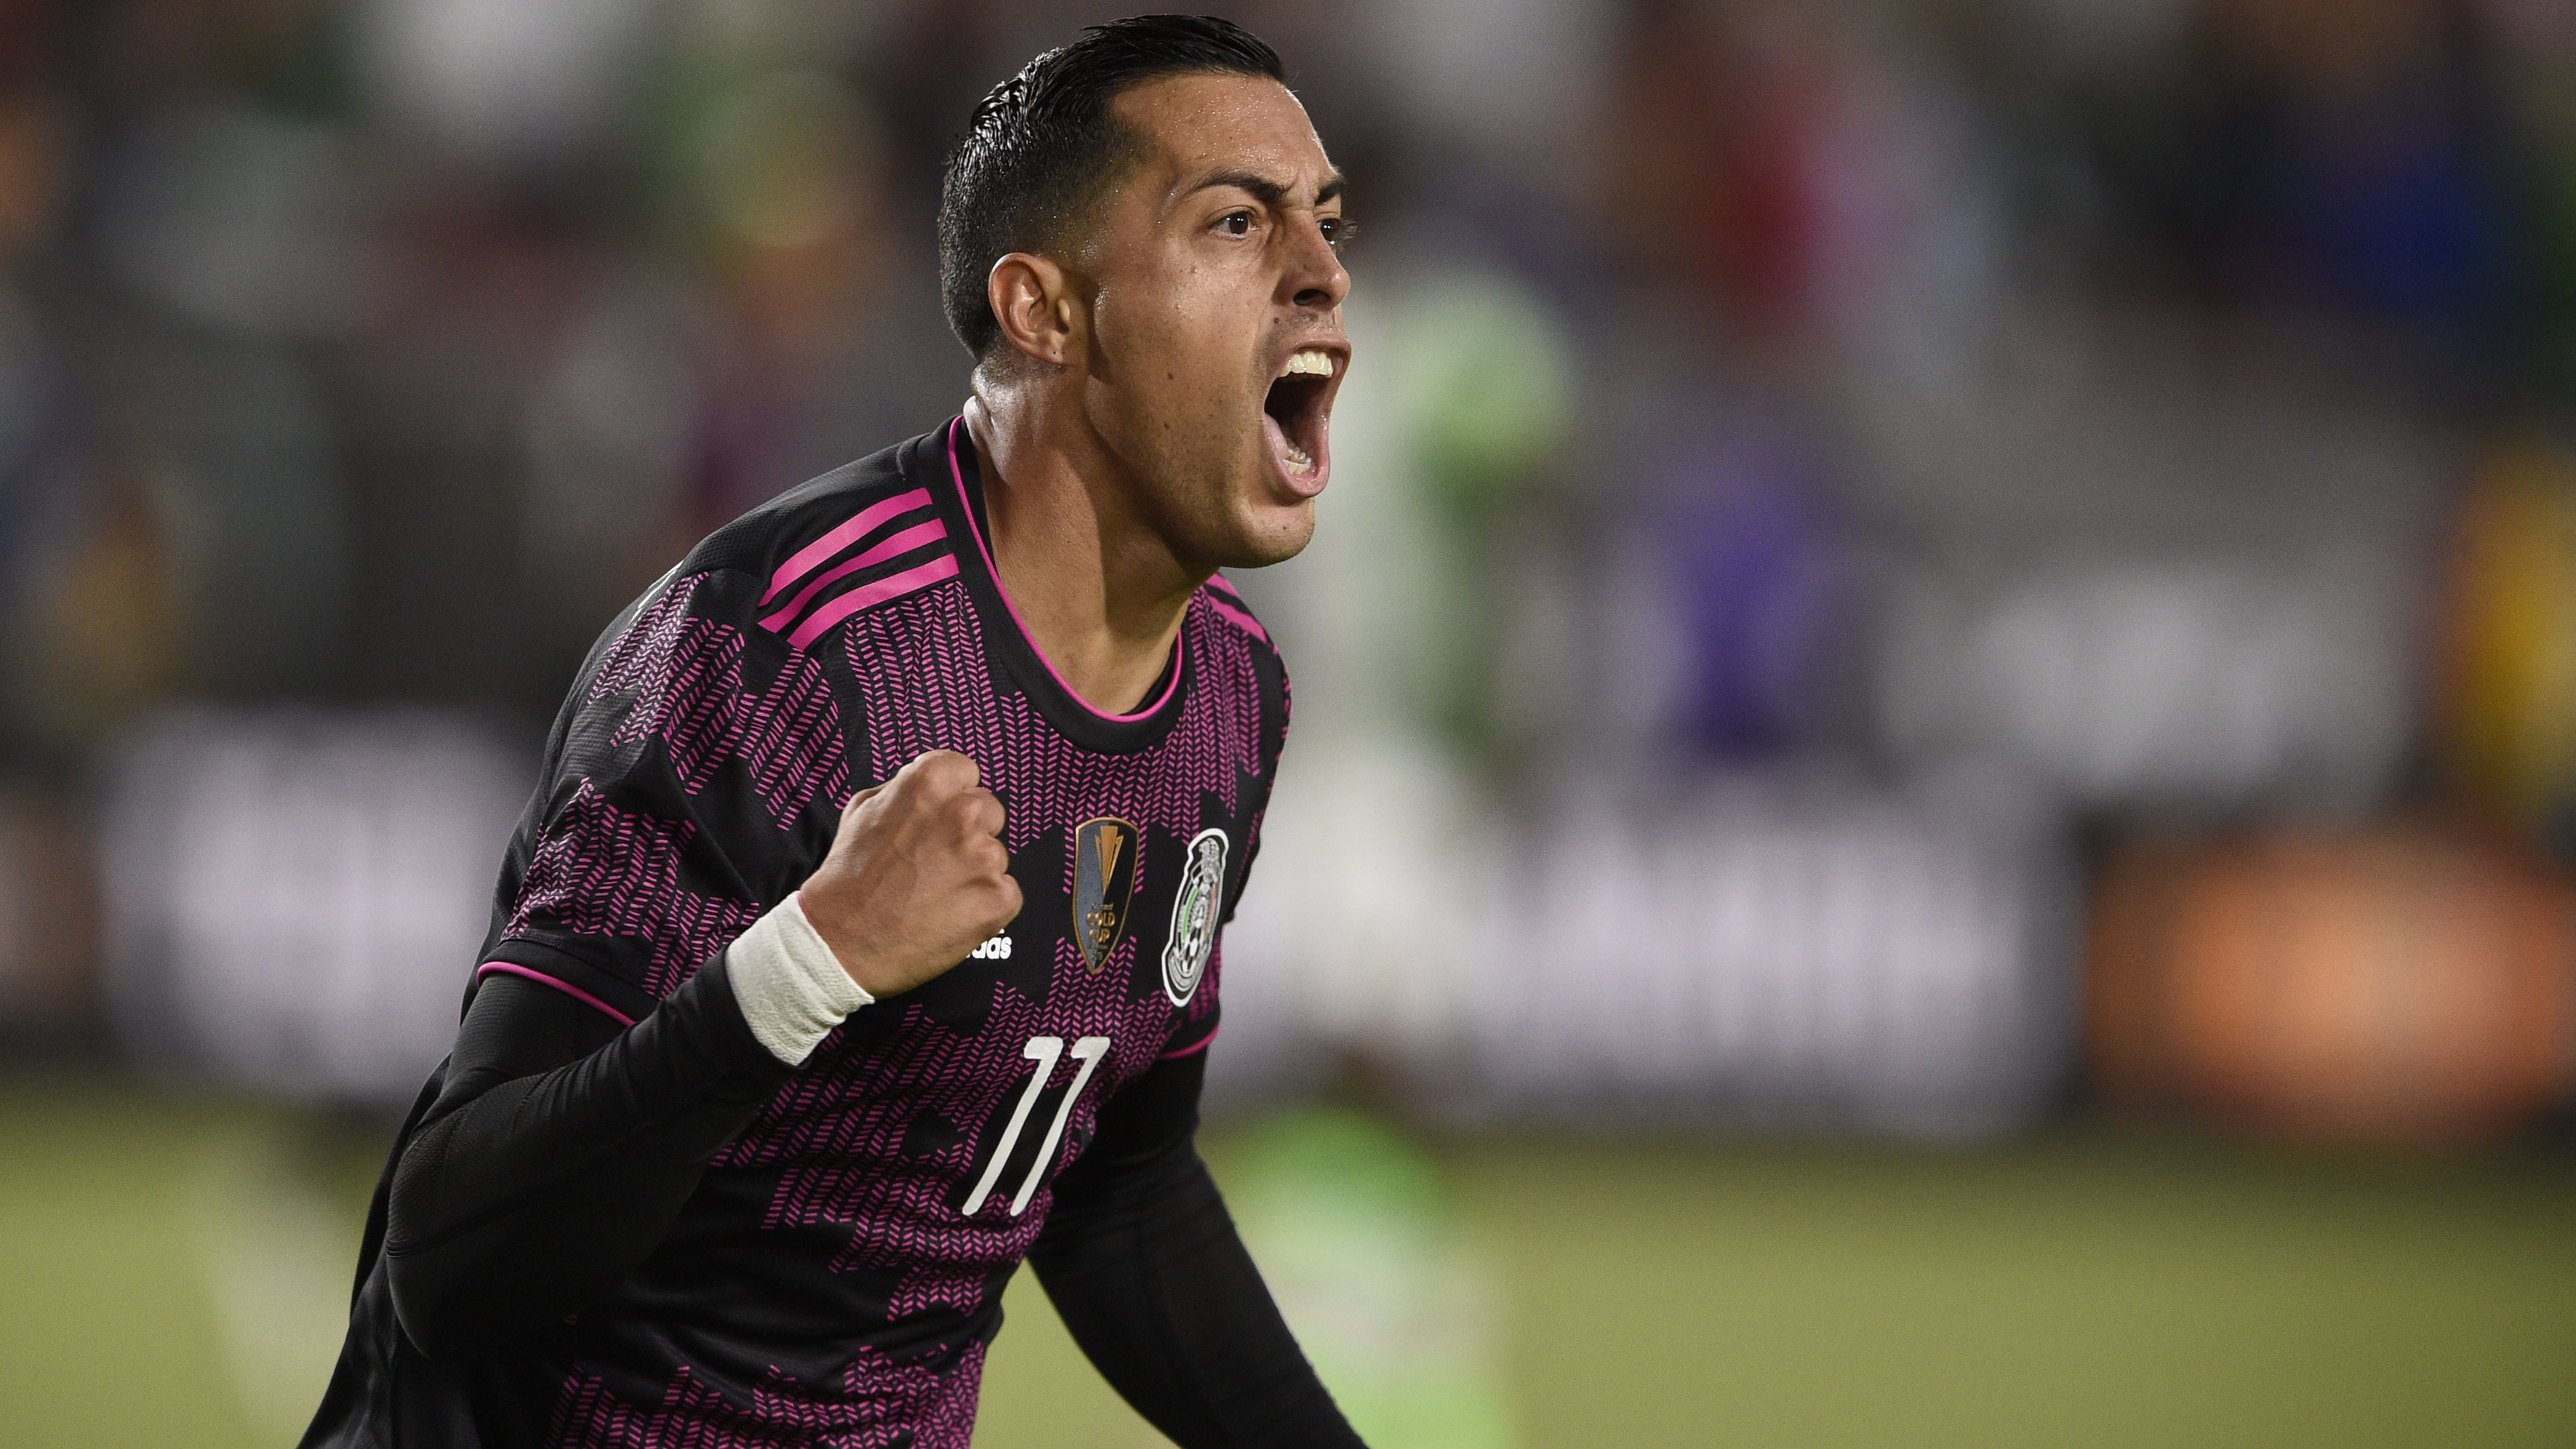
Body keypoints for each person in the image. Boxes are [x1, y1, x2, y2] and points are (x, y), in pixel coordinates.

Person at [301, 16, 1360, 1447]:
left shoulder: (1232, 692)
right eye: (1237, 221)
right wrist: (805, 963)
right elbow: (452, 1261)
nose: (1321, 273)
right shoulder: (778, 648)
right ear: (1044, 311)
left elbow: (1113, 1178)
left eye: (1326, 219)